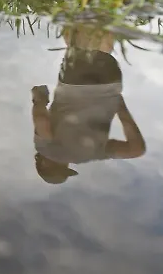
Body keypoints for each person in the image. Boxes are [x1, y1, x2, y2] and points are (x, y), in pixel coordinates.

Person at [31, 24, 146, 184]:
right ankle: (84, 8)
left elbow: (136, 149)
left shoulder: (92, 154)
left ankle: (110, 9)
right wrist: (39, 99)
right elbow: (42, 122)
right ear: (43, 163)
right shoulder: (46, 149)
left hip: (109, 82)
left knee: (103, 51)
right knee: (76, 41)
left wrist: (121, 109)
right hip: (74, 82)